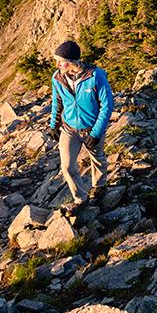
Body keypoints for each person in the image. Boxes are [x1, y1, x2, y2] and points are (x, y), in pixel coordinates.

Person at [49, 40, 115, 211]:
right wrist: (54, 125)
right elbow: (57, 101)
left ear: (72, 61)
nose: (57, 64)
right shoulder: (57, 77)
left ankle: (99, 186)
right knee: (67, 166)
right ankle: (80, 199)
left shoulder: (95, 76)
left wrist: (97, 132)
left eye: (60, 60)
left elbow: (107, 105)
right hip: (69, 128)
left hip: (91, 128)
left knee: (98, 158)